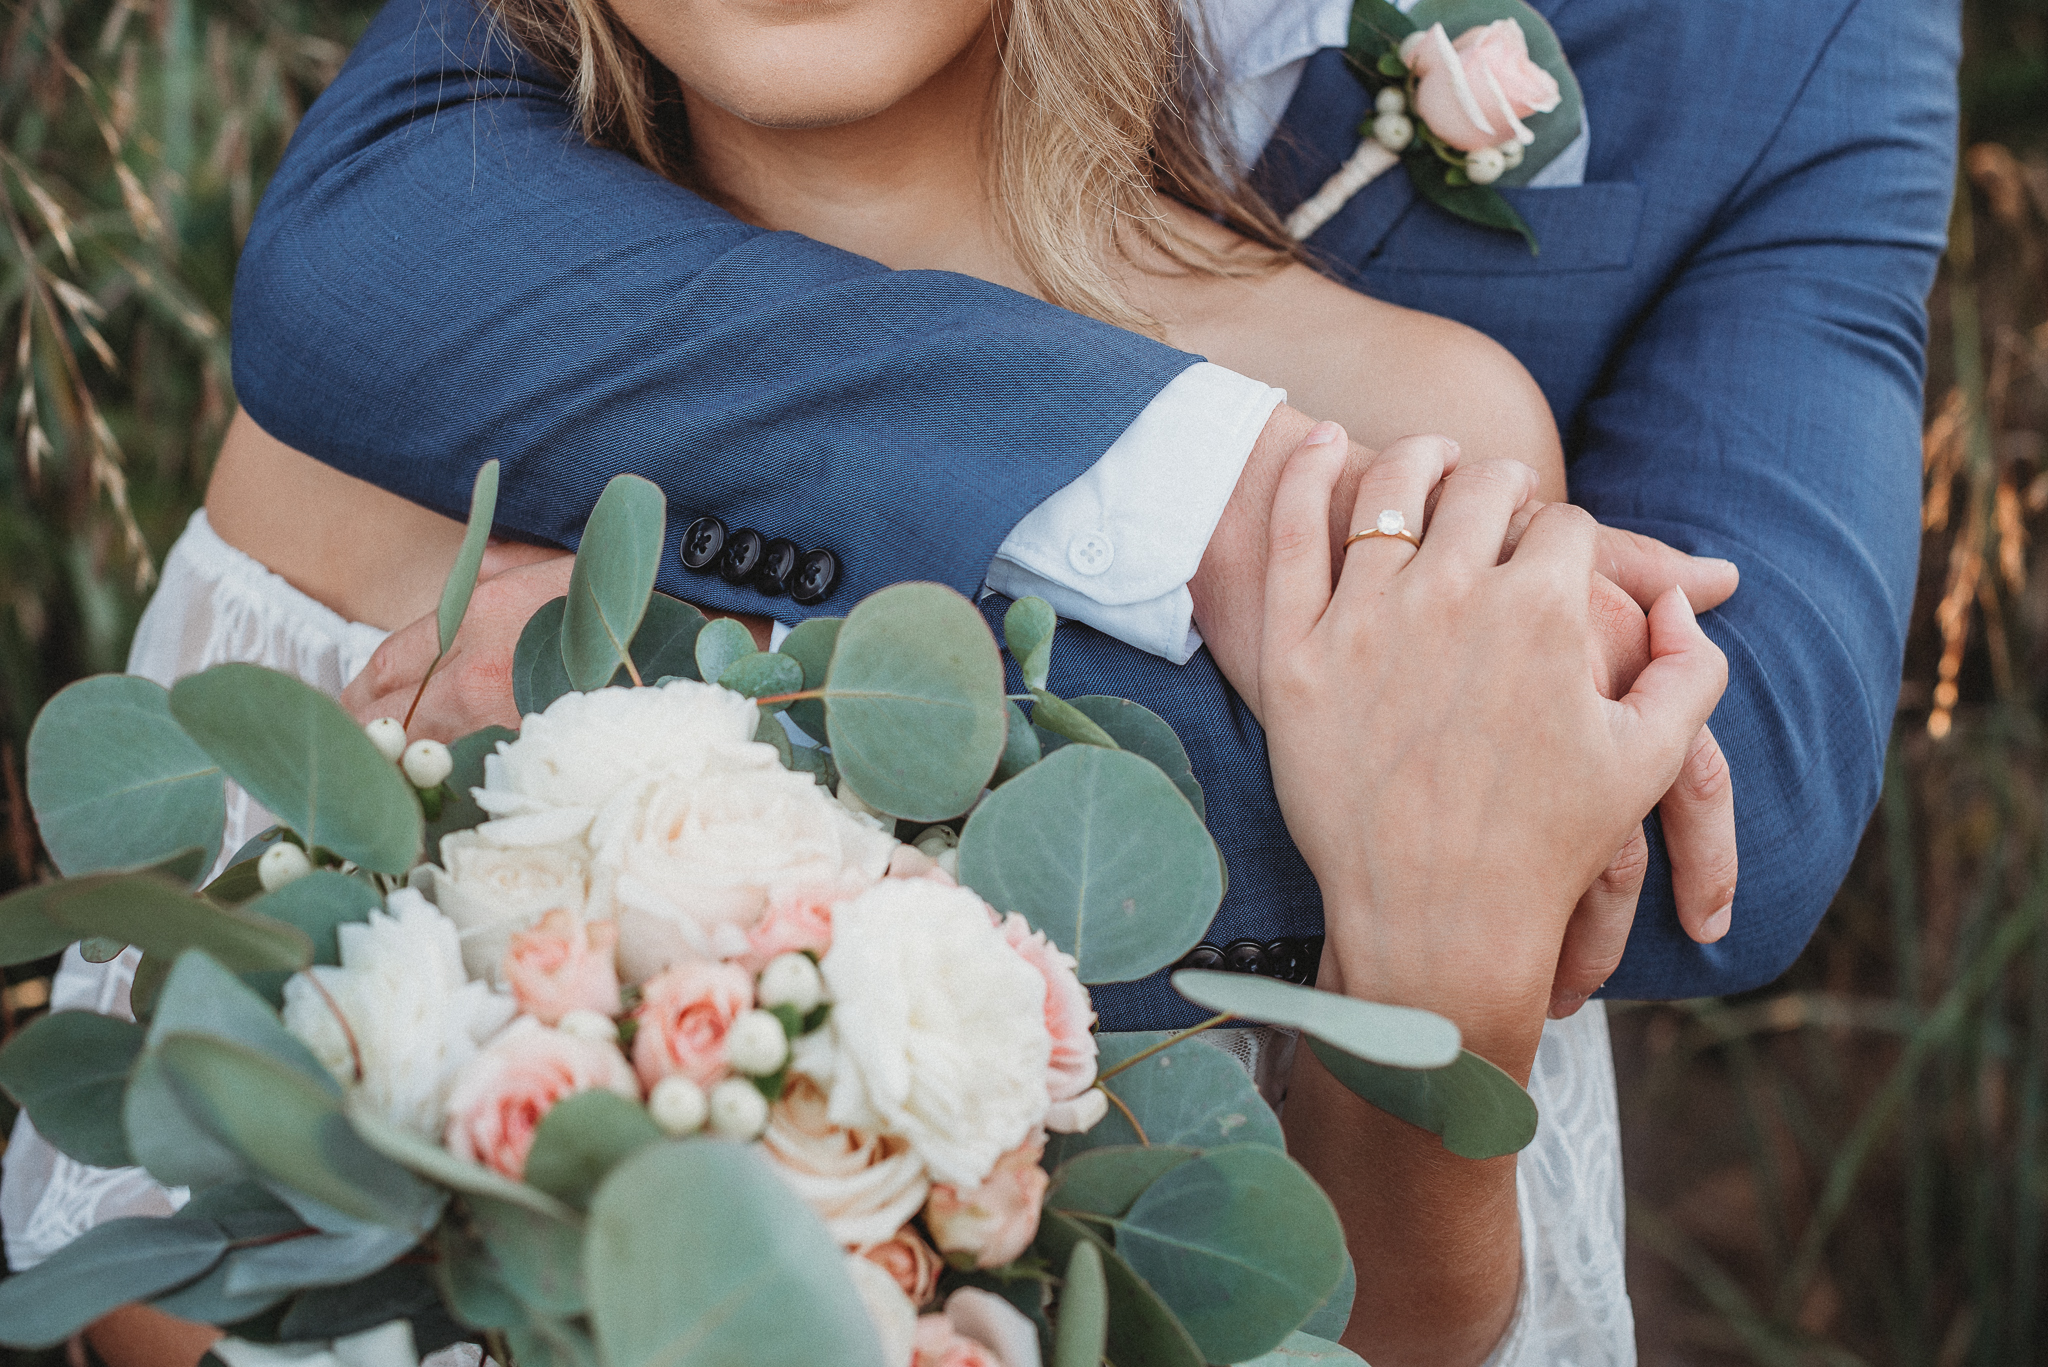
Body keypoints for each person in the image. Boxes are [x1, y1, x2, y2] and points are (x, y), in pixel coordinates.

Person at [0, 0, 1951, 1361]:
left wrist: (1441, 950)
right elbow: (150, 1263)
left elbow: (1398, 1318)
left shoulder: (1422, 445)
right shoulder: (445, 353)